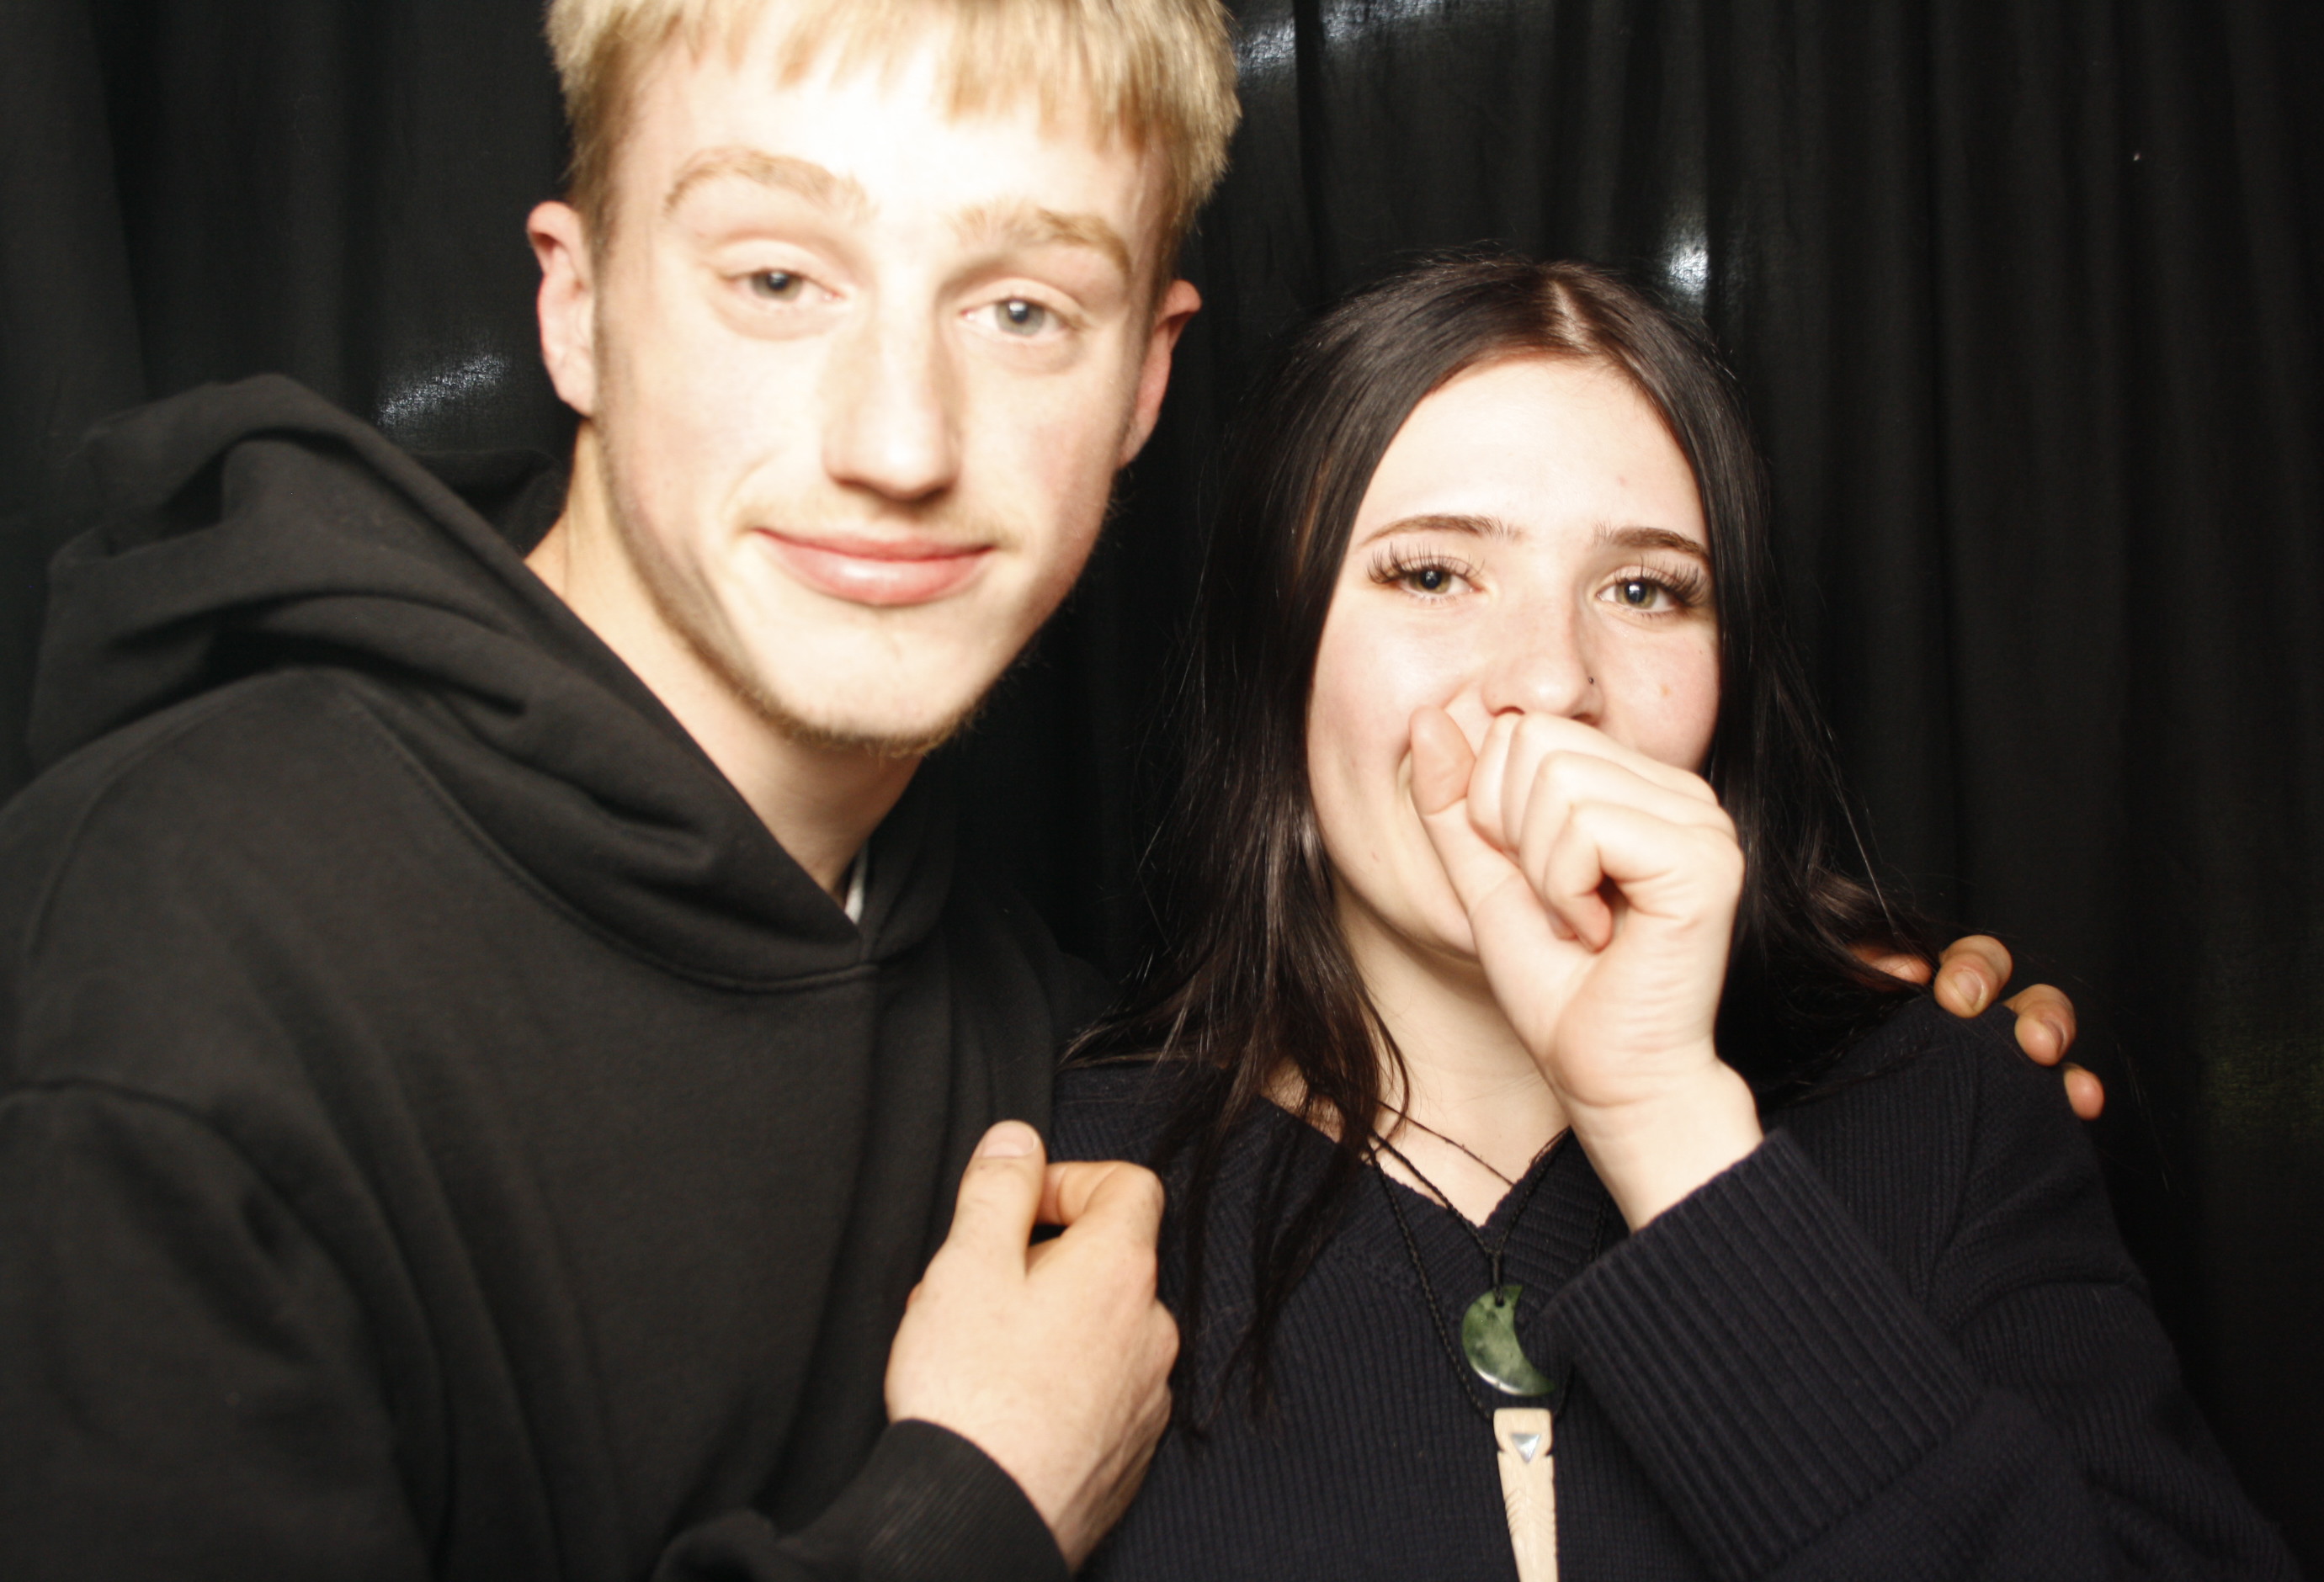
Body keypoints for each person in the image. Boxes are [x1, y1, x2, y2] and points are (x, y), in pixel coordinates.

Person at [0, 3, 2075, 1579]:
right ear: (574, 301)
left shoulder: (1020, 1045)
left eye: (1018, 305)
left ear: (1147, 381)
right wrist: (969, 1506)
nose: (898, 435)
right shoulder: (162, 980)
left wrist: (1777, 1092)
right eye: (777, 277)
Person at [1056, 254, 2295, 1579]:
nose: (1551, 681)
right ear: (1277, 651)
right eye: (1431, 575)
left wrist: (1669, 1131)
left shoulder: (1956, 1123)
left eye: (1646, 590)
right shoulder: (1065, 1182)